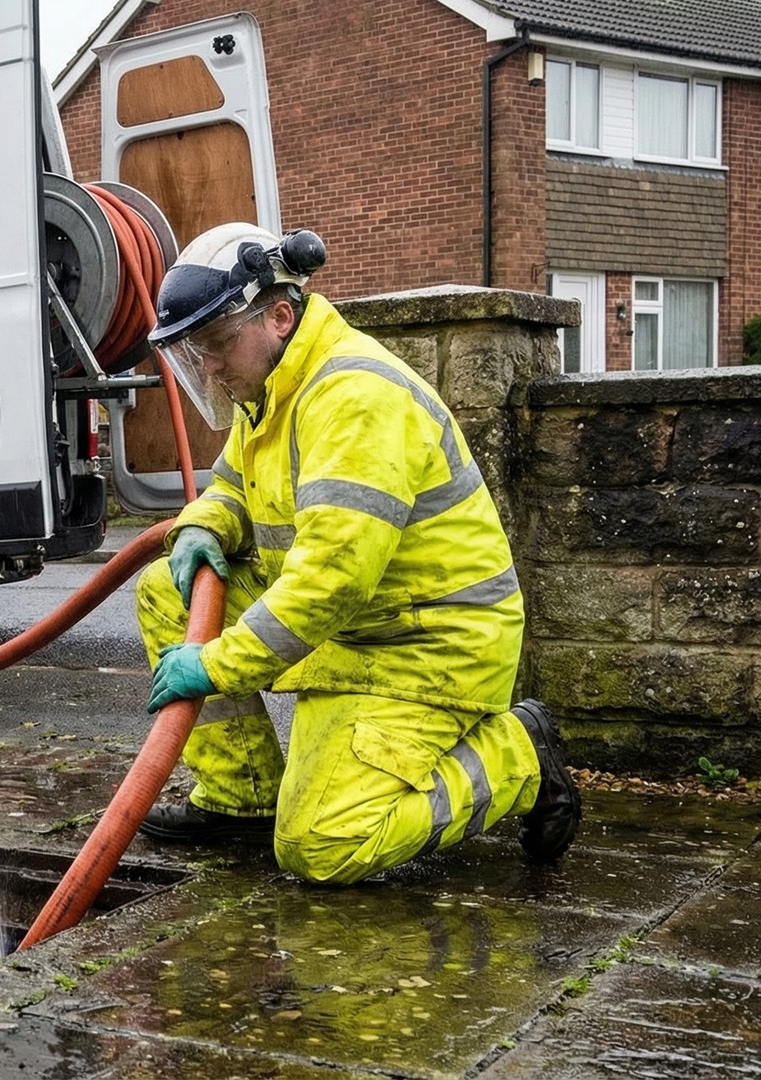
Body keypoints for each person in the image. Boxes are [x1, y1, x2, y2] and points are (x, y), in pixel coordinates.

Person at [132, 222, 581, 884]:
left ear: (279, 316)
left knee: (323, 844)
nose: (211, 367)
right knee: (166, 590)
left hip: (422, 647)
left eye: (219, 344)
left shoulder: (354, 399)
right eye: (198, 351)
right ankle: (242, 797)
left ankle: (519, 755)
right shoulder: (274, 388)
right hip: (355, 630)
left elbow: (330, 581)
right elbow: (232, 486)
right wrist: (206, 525)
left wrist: (216, 666)